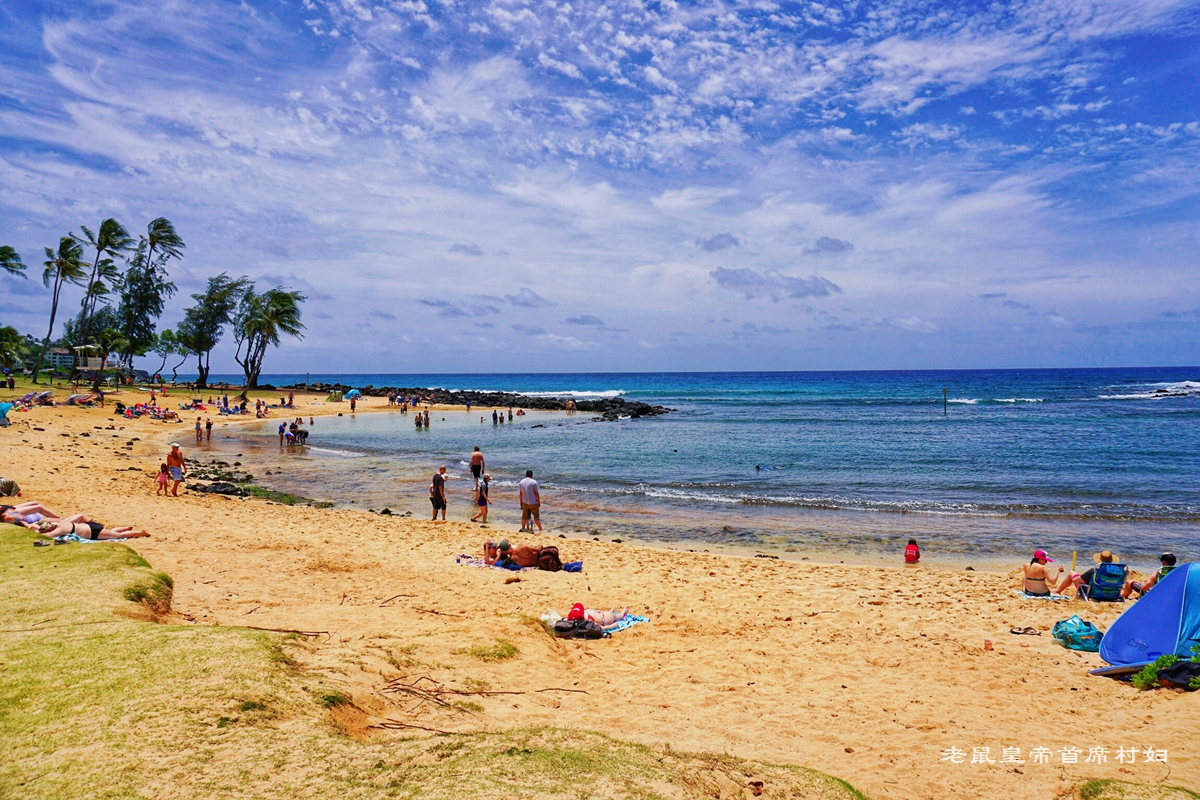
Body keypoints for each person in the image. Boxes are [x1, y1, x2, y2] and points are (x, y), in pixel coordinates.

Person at [33, 518, 149, 540]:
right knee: (111, 531)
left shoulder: (60, 530)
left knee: (118, 536)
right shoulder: (60, 524)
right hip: (90, 526)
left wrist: (34, 534)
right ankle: (126, 528)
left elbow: (48, 536)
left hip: (93, 533)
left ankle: (140, 533)